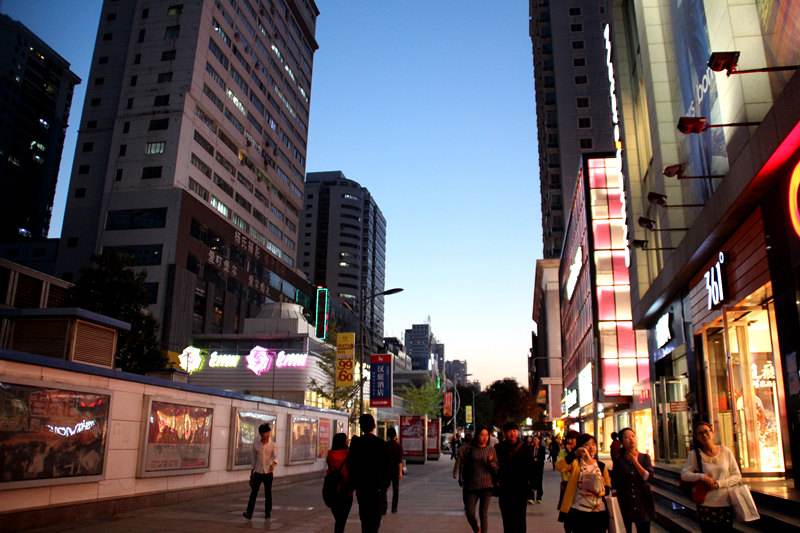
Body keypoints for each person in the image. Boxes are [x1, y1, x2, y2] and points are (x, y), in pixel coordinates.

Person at [680, 421, 741, 532]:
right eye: (700, 433)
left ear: (712, 433)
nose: (704, 435)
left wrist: (719, 484)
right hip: (706, 504)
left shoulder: (726, 451)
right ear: (696, 437)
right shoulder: (694, 455)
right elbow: (684, 475)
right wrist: (702, 477)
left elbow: (737, 476)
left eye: (706, 431)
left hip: (725, 503)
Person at [559, 433, 611, 533]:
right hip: (579, 512)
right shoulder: (575, 464)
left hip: (598, 512)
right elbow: (560, 467)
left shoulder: (601, 466)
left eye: (593, 444)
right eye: (587, 444)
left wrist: (601, 492)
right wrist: (574, 454)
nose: (591, 447)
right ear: (581, 447)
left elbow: (608, 486)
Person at [347, 414, 391, 533]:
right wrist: (384, 487)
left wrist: (353, 485)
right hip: (377, 490)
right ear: (374, 426)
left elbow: (351, 466)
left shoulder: (356, 444)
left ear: (361, 427)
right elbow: (388, 469)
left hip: (362, 489)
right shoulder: (382, 444)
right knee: (375, 521)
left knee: (365, 520)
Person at [455, 425, 499, 533]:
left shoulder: (491, 450)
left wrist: (491, 463)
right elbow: (463, 464)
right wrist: (460, 476)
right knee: (469, 512)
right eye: (482, 435)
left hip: (487, 485)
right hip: (471, 485)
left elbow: (496, 468)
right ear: (477, 436)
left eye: (486, 435)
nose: (484, 438)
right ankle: (476, 528)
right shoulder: (470, 449)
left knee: (483, 513)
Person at [612, 428, 655, 533]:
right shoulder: (619, 460)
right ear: (622, 442)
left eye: (633, 436)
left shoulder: (645, 458)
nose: (631, 439)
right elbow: (615, 482)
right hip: (625, 503)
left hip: (643, 502)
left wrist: (635, 462)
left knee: (644, 529)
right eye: (626, 437)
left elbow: (647, 477)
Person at [495, 421, 534, 533]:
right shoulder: (498, 448)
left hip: (521, 489)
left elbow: (530, 468)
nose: (512, 434)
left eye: (514, 431)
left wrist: (531, 486)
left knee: (520, 519)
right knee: (507, 520)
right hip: (505, 490)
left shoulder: (525, 448)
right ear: (504, 433)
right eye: (509, 431)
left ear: (517, 432)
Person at [243, 423, 277, 520]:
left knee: (268, 493)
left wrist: (273, 464)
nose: (267, 435)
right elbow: (253, 458)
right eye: (265, 434)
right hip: (258, 472)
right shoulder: (256, 443)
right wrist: (251, 473)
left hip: (268, 473)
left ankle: (267, 513)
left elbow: (275, 457)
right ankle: (249, 513)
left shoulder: (272, 444)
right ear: (261, 434)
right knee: (253, 493)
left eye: (268, 433)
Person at [326, 433, 353, 533]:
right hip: (345, 490)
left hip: (332, 489)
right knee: (342, 520)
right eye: (346, 439)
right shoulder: (348, 454)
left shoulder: (330, 455)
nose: (347, 441)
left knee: (338, 519)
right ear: (343, 441)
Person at [556, 430, 580, 532]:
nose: (570, 441)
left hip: (580, 485)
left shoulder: (582, 452)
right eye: (568, 439)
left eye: (573, 438)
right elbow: (561, 467)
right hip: (567, 485)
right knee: (567, 514)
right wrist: (570, 455)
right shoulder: (563, 452)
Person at [385, 427, 404, 514]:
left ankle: (384, 508)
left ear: (388, 435)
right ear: (395, 435)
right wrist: (400, 472)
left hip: (386, 470)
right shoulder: (398, 446)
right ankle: (394, 508)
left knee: (384, 489)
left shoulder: (385, 445)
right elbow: (400, 461)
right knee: (395, 490)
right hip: (395, 470)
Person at [530, 435, 546, 503]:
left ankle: (539, 497)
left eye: (536, 439)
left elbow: (543, 458)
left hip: (539, 467)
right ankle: (531, 498)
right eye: (534, 439)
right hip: (532, 467)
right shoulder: (530, 448)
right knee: (531, 482)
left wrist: (537, 459)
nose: (535, 441)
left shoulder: (542, 448)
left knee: (539, 482)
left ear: (539, 440)